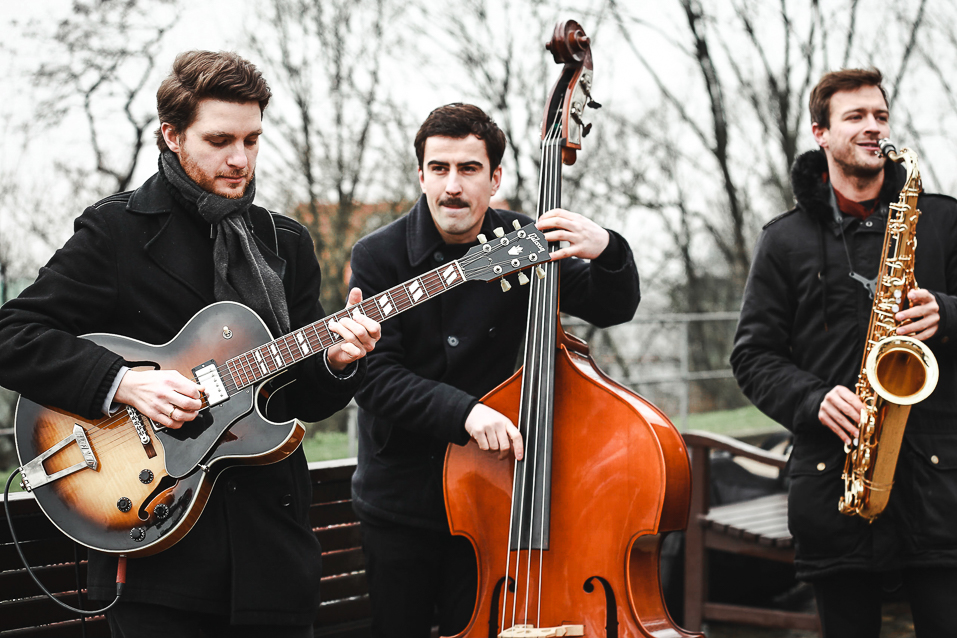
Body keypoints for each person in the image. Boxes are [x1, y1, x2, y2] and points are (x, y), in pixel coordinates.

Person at [0, 51, 380, 636]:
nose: (240, 159)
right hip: (155, 548)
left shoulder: (285, 242)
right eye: (220, 139)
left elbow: (297, 402)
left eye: (253, 140)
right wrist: (124, 382)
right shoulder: (117, 231)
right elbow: (11, 335)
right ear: (172, 135)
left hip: (272, 555)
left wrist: (335, 361)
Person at [347, 103, 641, 638]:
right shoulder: (378, 254)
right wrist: (465, 413)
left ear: (495, 177)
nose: (452, 186)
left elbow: (612, 308)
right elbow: (374, 377)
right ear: (421, 174)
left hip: (495, 494)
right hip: (403, 500)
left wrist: (608, 250)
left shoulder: (521, 242)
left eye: (468, 169)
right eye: (439, 169)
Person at [731, 68, 957, 637]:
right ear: (821, 133)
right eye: (855, 117)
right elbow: (753, 355)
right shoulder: (782, 240)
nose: (872, 127)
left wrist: (948, 313)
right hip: (835, 481)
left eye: (880, 115)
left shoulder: (944, 220)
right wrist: (810, 398)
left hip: (938, 486)